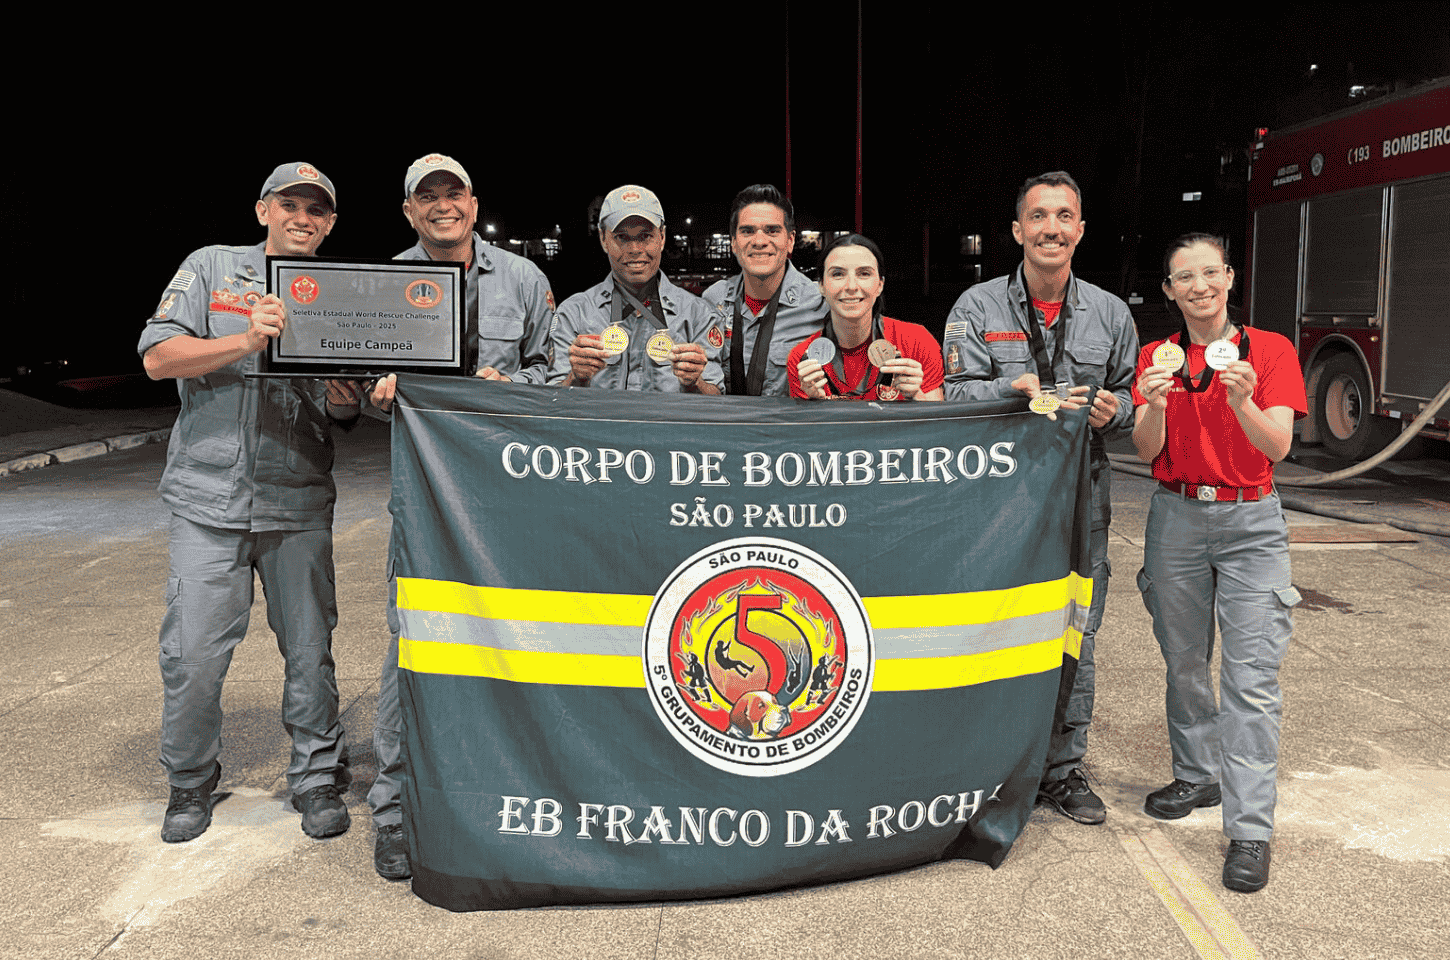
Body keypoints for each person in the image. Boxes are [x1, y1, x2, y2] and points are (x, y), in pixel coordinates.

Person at [138, 162, 361, 844]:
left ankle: (317, 776)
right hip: (209, 500)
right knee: (194, 653)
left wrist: (346, 396)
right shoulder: (212, 269)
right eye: (289, 203)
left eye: (316, 209)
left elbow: (341, 407)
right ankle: (189, 779)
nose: (302, 216)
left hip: (295, 499)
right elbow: (156, 357)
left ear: (328, 223)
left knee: (308, 649)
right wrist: (244, 340)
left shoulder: (339, 292)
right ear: (263, 209)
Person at [367, 153, 559, 881]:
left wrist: (511, 385)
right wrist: (376, 388)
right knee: (412, 638)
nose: (443, 206)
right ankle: (393, 810)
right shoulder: (385, 281)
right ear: (410, 212)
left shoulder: (525, 280)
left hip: (510, 492)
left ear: (474, 204)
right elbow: (360, 377)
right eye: (428, 197)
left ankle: (511, 790)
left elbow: (554, 373)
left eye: (454, 194)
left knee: (516, 633)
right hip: (425, 488)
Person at [940, 171, 1138, 825]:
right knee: (990, 628)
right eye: (1038, 216)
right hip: (996, 506)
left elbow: (1136, 399)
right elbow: (954, 393)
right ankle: (983, 765)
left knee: (1074, 633)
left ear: (1079, 229)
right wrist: (1009, 391)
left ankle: (1062, 768)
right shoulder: (976, 309)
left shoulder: (1110, 313)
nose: (1051, 227)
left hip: (1083, 498)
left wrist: (1118, 410)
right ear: (1018, 230)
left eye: (1064, 216)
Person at [1133, 233, 1305, 893]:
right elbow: (1149, 450)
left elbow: (1280, 447)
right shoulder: (1159, 356)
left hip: (1250, 521)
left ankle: (1251, 829)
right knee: (1183, 661)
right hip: (1175, 515)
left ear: (1229, 279)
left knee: (1252, 677)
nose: (1199, 286)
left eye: (1210, 272)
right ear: (1170, 289)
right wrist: (1150, 400)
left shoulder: (1271, 352)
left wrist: (1242, 401)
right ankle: (1198, 776)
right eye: (1185, 277)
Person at [549, 184, 722, 393]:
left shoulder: (699, 314)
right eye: (622, 237)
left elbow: (716, 398)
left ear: (662, 237)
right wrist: (575, 377)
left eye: (645, 236)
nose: (635, 250)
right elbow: (553, 400)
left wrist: (696, 383)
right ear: (604, 239)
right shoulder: (573, 313)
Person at [701, 184, 829, 396]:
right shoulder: (713, 300)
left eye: (772, 231)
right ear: (733, 243)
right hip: (726, 426)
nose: (759, 241)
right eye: (747, 231)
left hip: (790, 427)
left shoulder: (821, 304)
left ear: (790, 241)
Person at [788, 233, 943, 402]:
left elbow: (938, 425)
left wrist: (915, 396)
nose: (851, 286)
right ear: (821, 286)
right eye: (838, 274)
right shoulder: (804, 358)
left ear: (880, 285)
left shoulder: (917, 341)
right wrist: (814, 404)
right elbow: (808, 428)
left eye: (864, 274)